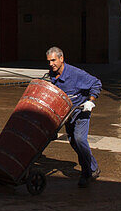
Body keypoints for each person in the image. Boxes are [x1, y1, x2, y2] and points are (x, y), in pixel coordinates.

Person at [44, 46, 102, 188]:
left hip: (81, 110)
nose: (51, 64)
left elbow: (96, 83)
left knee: (80, 139)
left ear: (61, 58)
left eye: (53, 60)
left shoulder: (76, 74)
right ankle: (94, 167)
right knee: (74, 142)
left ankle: (86, 174)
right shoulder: (51, 75)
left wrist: (91, 101)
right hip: (67, 114)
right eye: (49, 61)